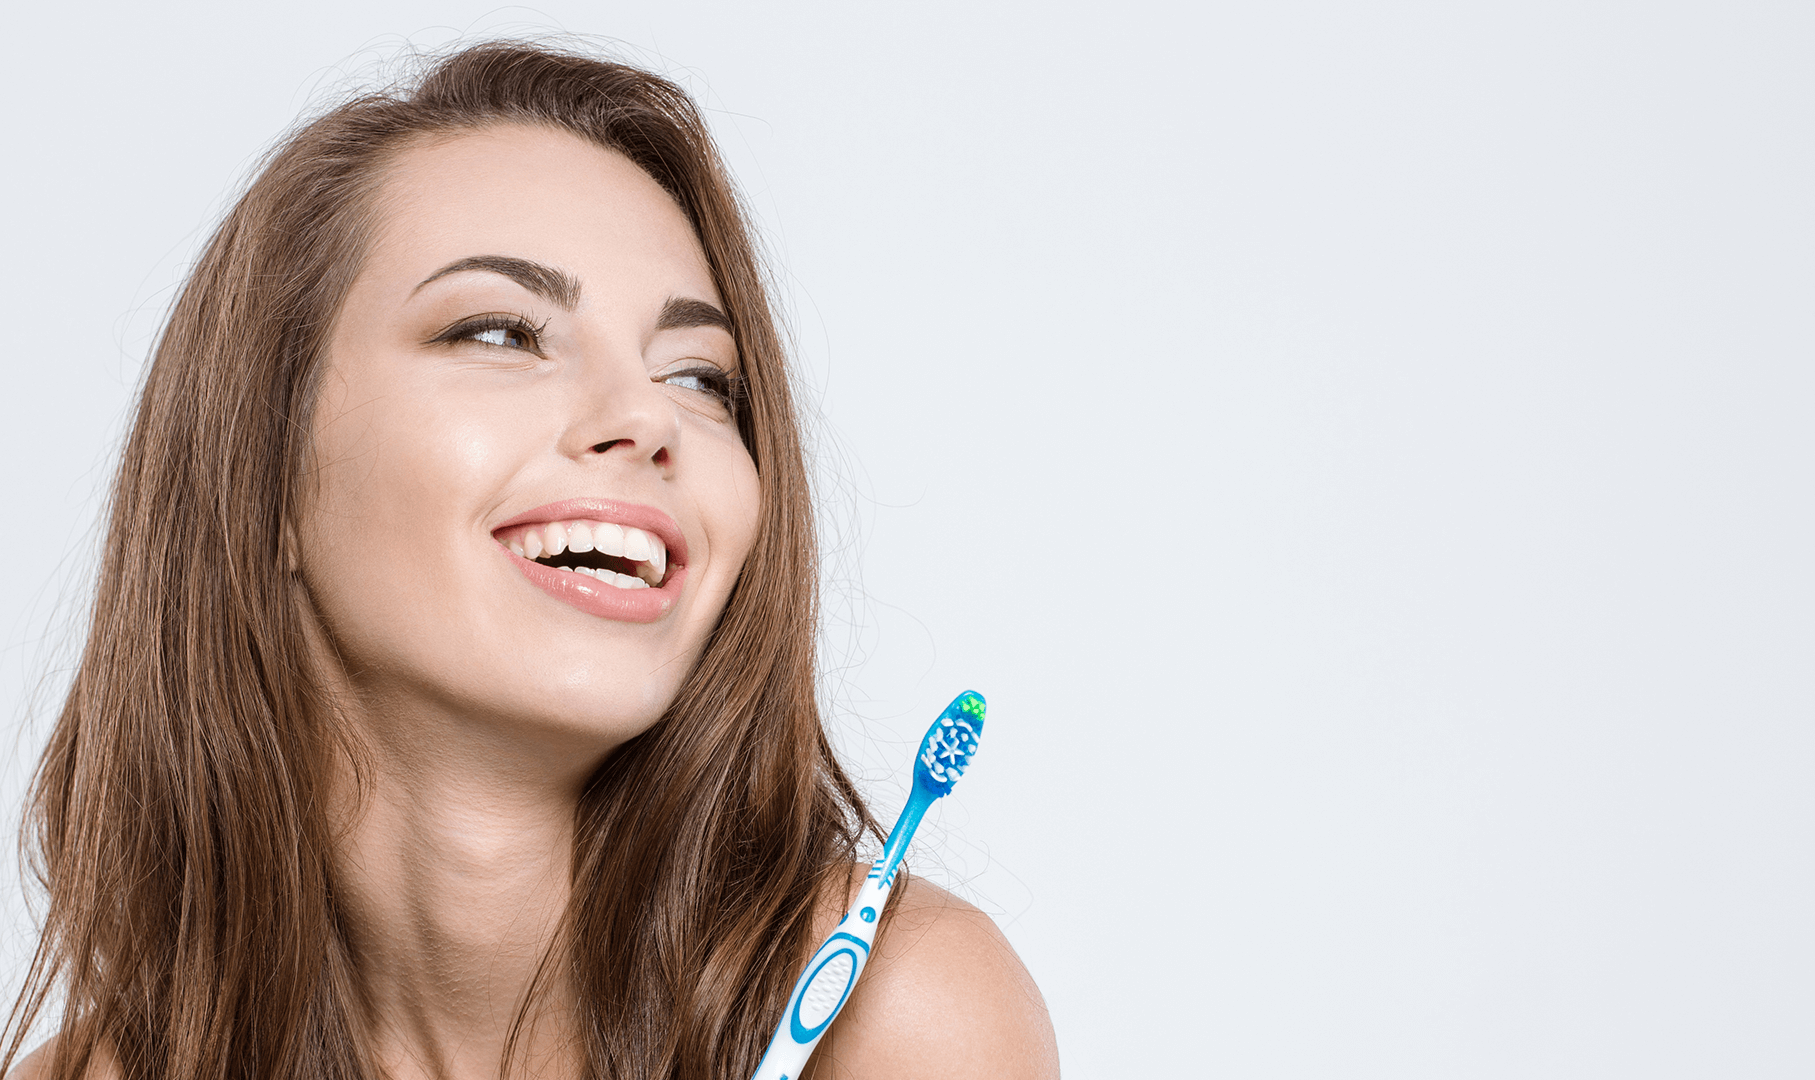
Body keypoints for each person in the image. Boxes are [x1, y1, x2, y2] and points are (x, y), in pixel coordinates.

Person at [1, 41, 1057, 1080]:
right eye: (501, 334)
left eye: (699, 376)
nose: (645, 418)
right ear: (264, 470)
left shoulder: (898, 1016)